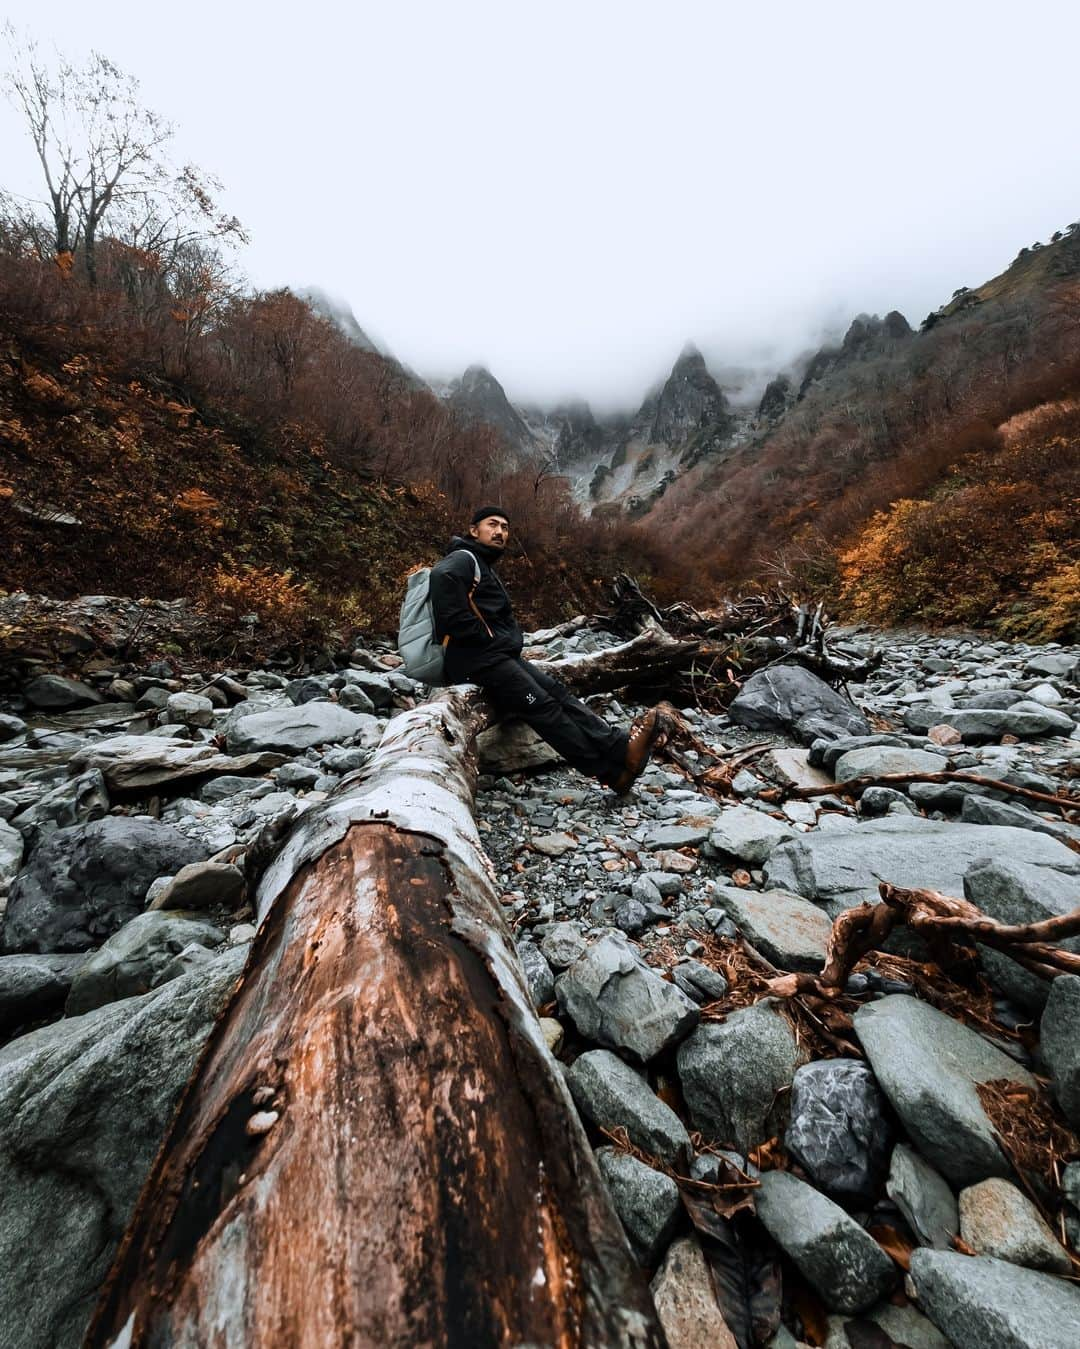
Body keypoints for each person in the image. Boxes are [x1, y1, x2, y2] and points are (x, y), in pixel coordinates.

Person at [428, 505, 665, 793]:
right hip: (475, 659)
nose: (500, 532)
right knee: (542, 707)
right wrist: (486, 636)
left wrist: (494, 640)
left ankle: (619, 747)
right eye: (492, 525)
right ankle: (611, 774)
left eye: (505, 527)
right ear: (473, 530)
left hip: (495, 655)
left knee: (556, 692)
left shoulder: (481, 563)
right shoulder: (463, 559)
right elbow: (441, 578)